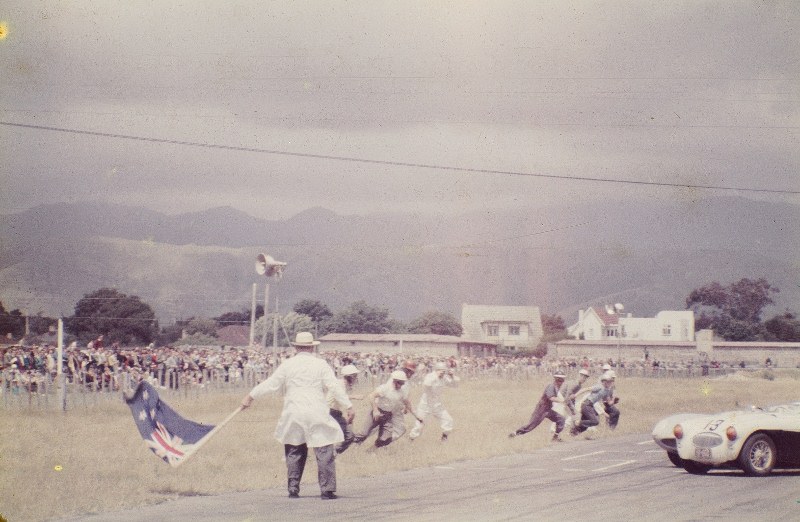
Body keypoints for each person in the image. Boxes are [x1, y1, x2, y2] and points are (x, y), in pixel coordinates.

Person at [240, 332, 353, 500]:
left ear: (295, 347)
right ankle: (327, 489)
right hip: (316, 410)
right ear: (312, 346)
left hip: (294, 411)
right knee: (324, 449)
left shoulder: (288, 364)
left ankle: (293, 488)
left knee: (294, 449)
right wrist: (348, 405)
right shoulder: (320, 364)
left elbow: (272, 384)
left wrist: (251, 396)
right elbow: (334, 386)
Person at [353, 370, 422, 448]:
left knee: (386, 438)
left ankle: (372, 449)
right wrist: (375, 410)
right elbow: (371, 396)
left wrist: (417, 416)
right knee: (364, 433)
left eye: (403, 383)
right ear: (395, 381)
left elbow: (408, 404)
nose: (401, 385)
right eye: (400, 382)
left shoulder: (401, 392)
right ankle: (351, 444)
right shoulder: (385, 388)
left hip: (387, 416)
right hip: (377, 412)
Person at [509, 372, 567, 442]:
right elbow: (551, 398)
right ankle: (514, 434)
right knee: (531, 426)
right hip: (541, 409)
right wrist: (562, 401)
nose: (561, 382)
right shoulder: (551, 386)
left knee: (561, 419)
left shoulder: (556, 387)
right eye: (559, 380)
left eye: (562, 380)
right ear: (555, 379)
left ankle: (555, 437)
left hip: (548, 409)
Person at [409, 361, 459, 441]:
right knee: (419, 425)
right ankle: (411, 439)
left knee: (448, 420)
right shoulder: (430, 376)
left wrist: (452, 376)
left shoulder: (444, 378)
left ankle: (444, 438)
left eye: (444, 371)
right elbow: (426, 385)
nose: (443, 373)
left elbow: (454, 385)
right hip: (425, 405)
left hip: (437, 405)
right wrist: (436, 377)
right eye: (441, 371)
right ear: (436, 370)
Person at [329, 364, 361, 455]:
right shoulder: (339, 384)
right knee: (348, 436)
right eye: (355, 376)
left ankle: (333, 453)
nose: (356, 378)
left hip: (335, 413)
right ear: (350, 376)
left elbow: (342, 397)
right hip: (329, 412)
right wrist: (353, 399)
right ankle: (332, 454)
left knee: (349, 436)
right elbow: (340, 397)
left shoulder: (344, 385)